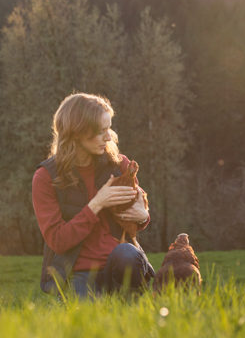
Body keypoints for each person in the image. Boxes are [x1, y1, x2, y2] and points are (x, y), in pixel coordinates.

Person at [32, 92, 155, 298]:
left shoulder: (120, 165)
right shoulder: (45, 177)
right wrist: (97, 203)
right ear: (77, 132)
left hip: (120, 262)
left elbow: (139, 215)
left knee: (127, 254)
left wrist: (143, 215)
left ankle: (134, 299)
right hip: (79, 271)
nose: (108, 137)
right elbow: (57, 241)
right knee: (89, 322)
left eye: (109, 128)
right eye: (100, 131)